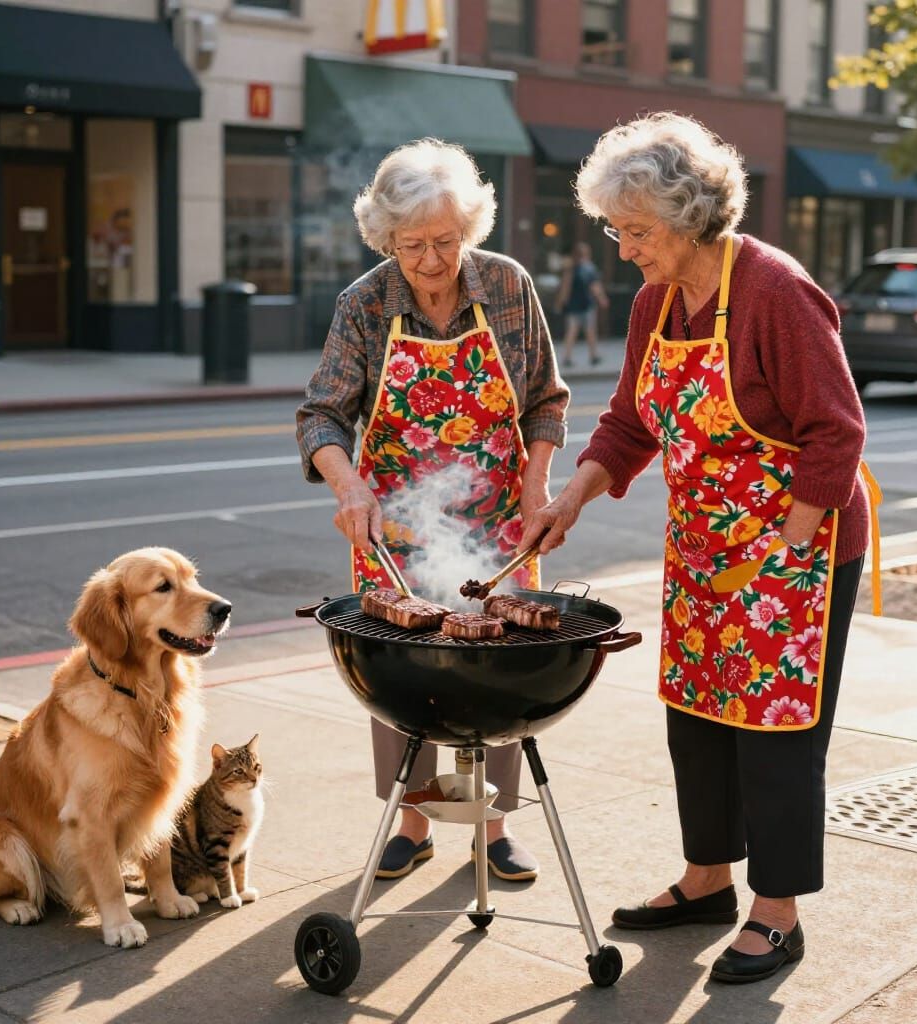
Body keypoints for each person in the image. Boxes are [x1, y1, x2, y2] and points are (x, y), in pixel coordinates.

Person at [519, 112, 879, 984]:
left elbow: (838, 432)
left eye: (636, 231)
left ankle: (778, 914)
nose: (623, 248)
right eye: (616, 228)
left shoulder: (774, 292)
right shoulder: (654, 303)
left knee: (777, 735)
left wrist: (789, 550)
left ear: (689, 219)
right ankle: (708, 879)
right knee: (699, 718)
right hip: (704, 550)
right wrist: (568, 499)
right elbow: (632, 419)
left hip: (796, 549)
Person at [297, 139, 569, 883]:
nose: (429, 260)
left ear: (468, 230)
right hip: (396, 529)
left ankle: (496, 828)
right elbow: (320, 416)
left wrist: (536, 482)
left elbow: (546, 398)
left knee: (503, 669)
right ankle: (411, 823)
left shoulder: (508, 288)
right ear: (387, 239)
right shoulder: (363, 304)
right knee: (404, 672)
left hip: (497, 523)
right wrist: (348, 486)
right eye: (411, 244)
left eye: (443, 241)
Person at [554, 241, 608, 366]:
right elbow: (595, 286)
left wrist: (561, 302)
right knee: (590, 331)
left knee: (572, 331)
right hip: (586, 304)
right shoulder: (588, 268)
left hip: (574, 305)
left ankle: (567, 357)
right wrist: (601, 298)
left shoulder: (571, 268)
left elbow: (565, 288)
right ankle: (593, 356)